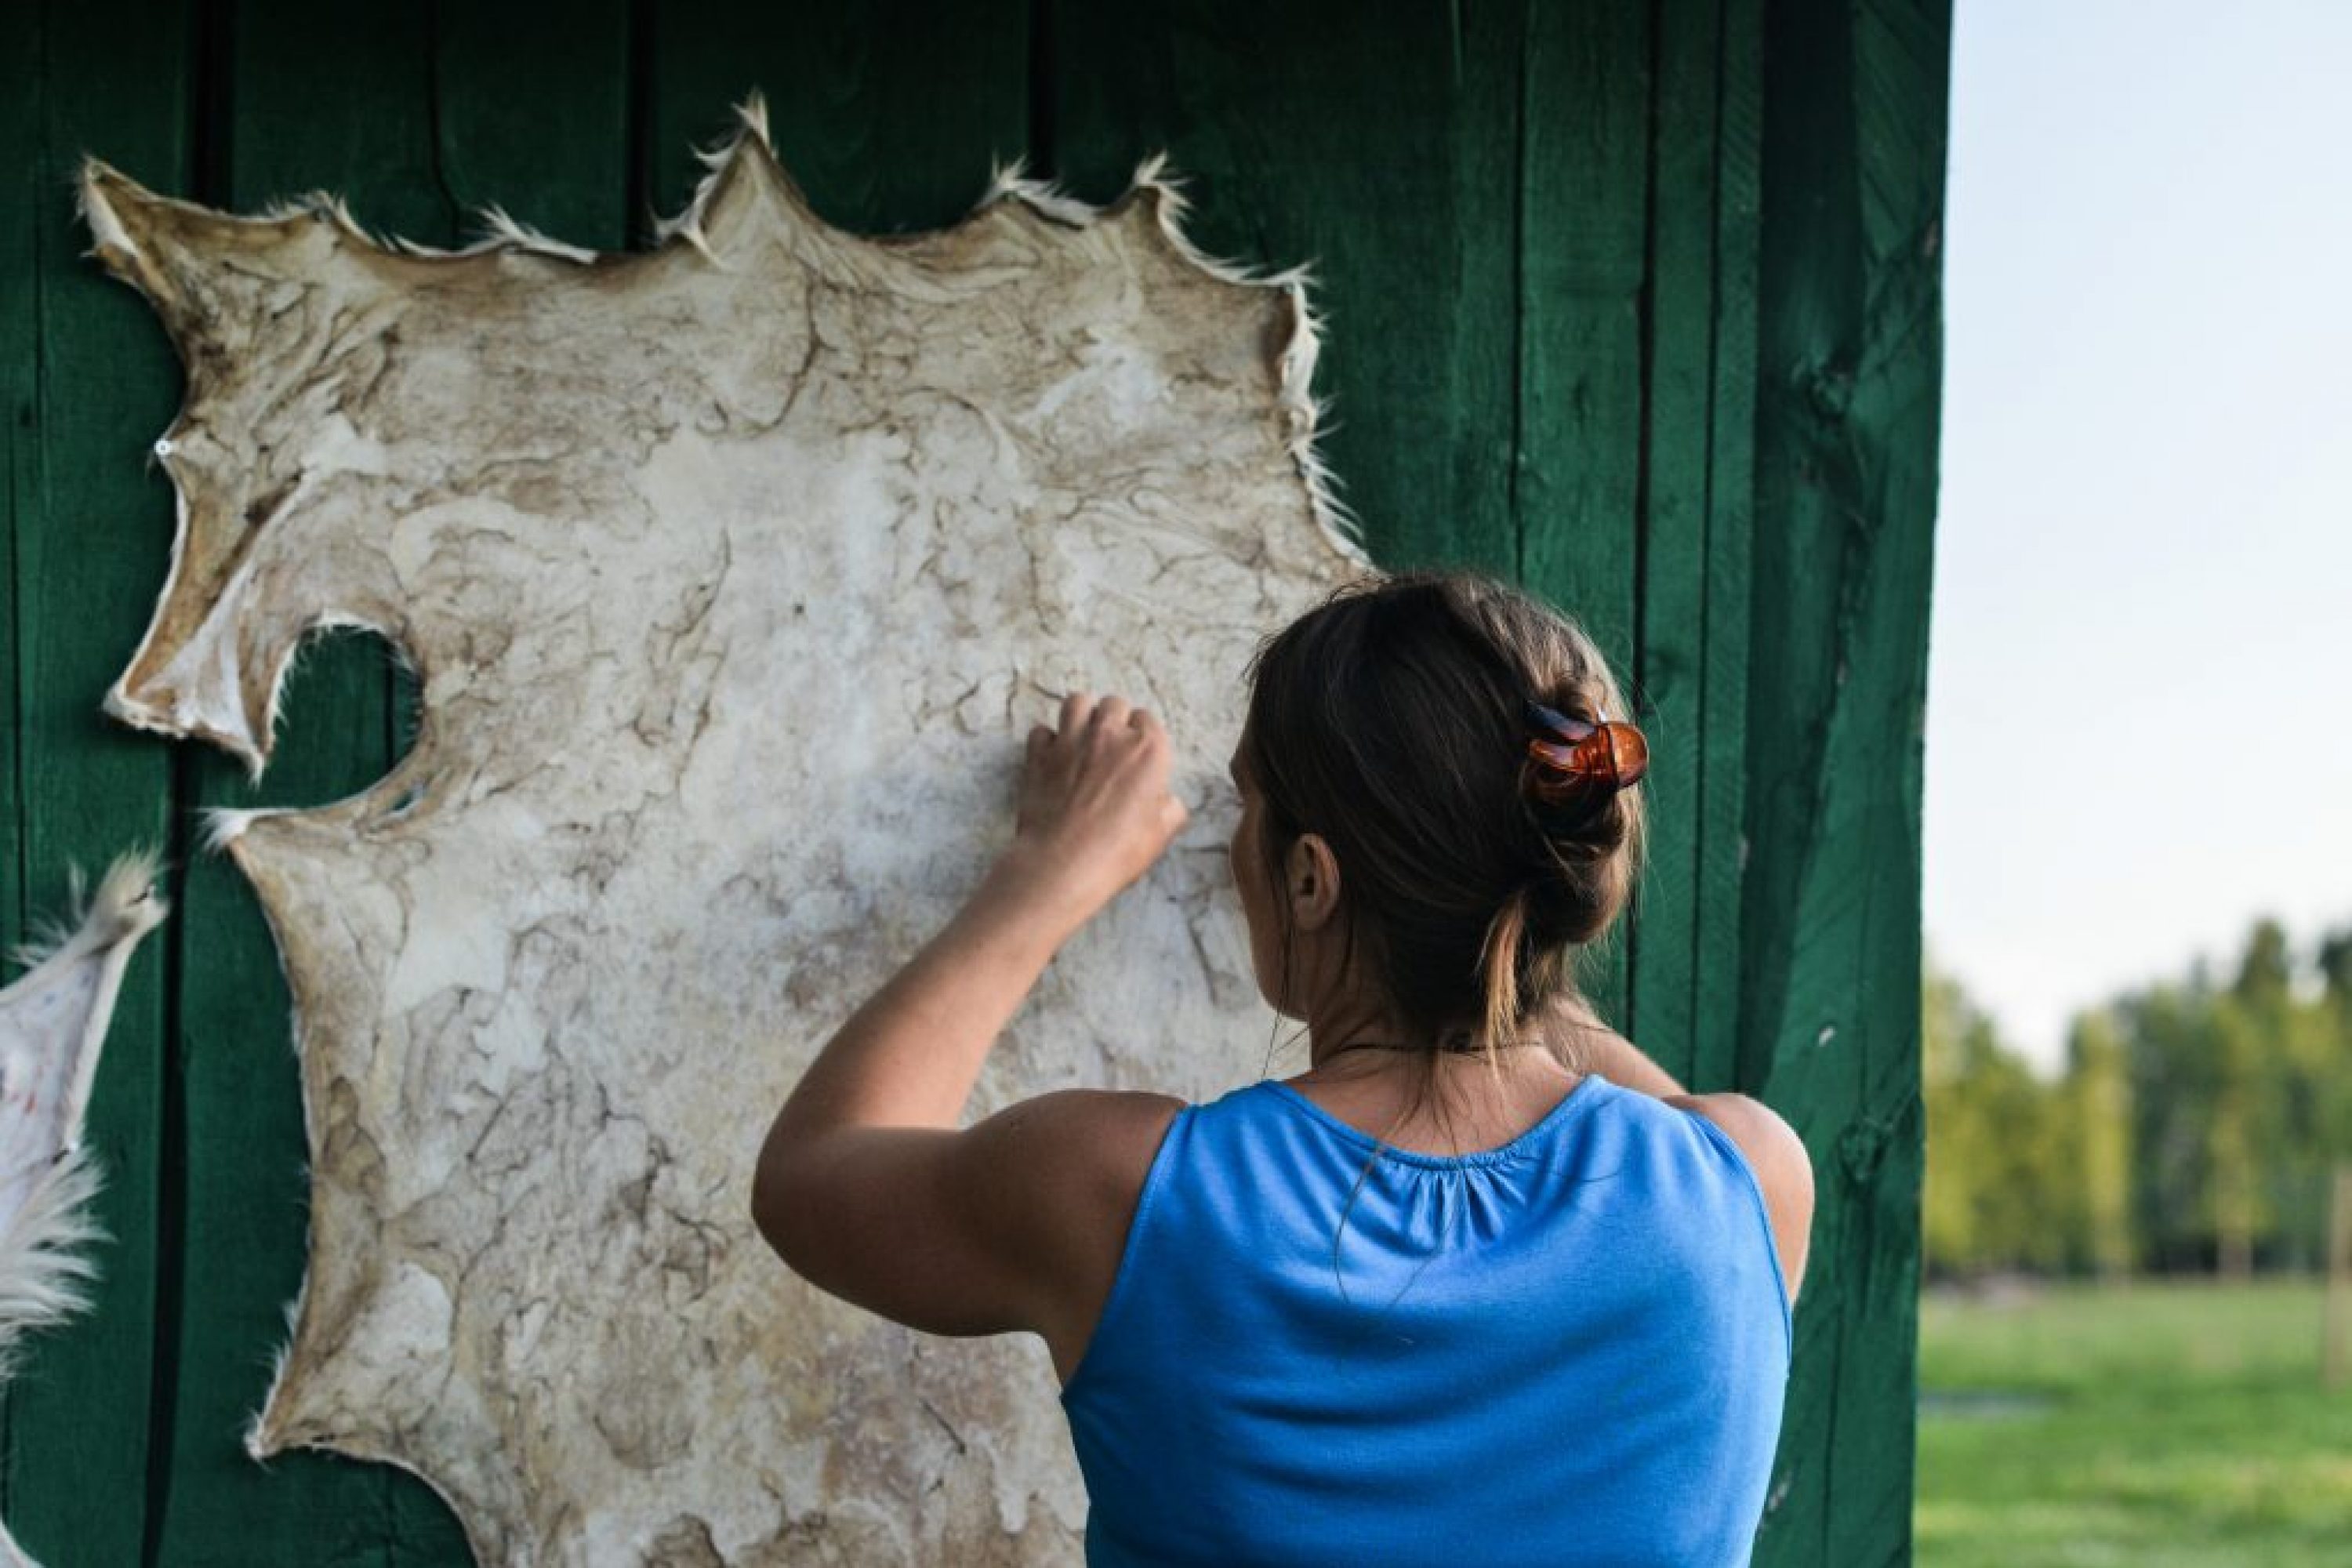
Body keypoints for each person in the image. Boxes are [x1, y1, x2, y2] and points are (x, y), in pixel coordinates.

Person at [752, 570, 1813, 1566]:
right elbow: (1611, 1085)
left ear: (1311, 879)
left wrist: (1046, 875)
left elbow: (814, 1170)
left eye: (1248, 806)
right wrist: (1499, 926)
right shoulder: (1751, 1183)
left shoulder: (1122, 1193)